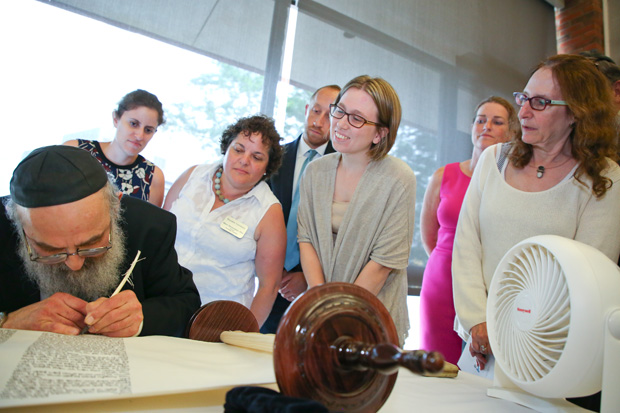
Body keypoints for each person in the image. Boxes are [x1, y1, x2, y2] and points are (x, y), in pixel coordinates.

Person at [452, 54, 620, 373]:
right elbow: (466, 247)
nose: (523, 111)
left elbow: (586, 280)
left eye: (540, 102)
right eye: (523, 98)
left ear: (576, 112)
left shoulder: (605, 178)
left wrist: (512, 336)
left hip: (548, 355)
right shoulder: (493, 160)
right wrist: (477, 322)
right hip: (479, 347)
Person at [0, 145, 200, 337]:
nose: (74, 264)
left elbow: (185, 302)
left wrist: (140, 317)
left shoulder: (150, 226)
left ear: (115, 209)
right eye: (51, 251)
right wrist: (6, 321)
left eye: (91, 245)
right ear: (16, 222)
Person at [297, 75, 416, 346]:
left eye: (357, 118)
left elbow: (383, 263)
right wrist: (320, 304)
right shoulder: (316, 171)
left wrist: (339, 316)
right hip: (319, 312)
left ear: (380, 133)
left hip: (372, 320)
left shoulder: (398, 178)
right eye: (340, 110)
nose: (340, 123)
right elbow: (306, 240)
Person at [419, 96, 519, 364]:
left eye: (496, 122)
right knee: (437, 366)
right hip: (441, 284)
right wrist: (450, 265)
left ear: (511, 132)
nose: (486, 126)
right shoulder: (444, 175)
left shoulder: (515, 184)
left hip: (488, 289)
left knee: (480, 373)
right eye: (480, 120)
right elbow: (429, 233)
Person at [164, 115, 285, 328]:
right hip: (161, 302)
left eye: (257, 157)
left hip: (216, 321)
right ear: (226, 149)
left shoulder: (269, 212)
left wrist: (245, 332)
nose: (244, 160)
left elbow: (269, 285)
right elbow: (160, 236)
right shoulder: (193, 176)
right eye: (239, 149)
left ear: (267, 167)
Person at [260, 85, 341, 334]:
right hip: (264, 278)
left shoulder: (343, 168)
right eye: (315, 111)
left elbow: (339, 234)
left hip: (312, 286)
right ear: (307, 109)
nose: (318, 121)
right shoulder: (273, 157)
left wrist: (307, 277)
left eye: (329, 115)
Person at [64, 89, 167, 207]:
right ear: (116, 119)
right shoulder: (75, 151)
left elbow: (150, 224)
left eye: (148, 130)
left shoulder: (153, 177)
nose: (139, 136)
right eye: (133, 124)